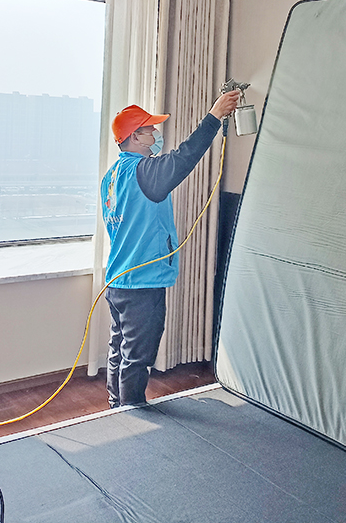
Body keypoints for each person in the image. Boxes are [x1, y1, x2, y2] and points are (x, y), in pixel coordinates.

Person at [100, 90, 241, 408]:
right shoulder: (144, 172)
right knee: (137, 356)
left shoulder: (111, 176)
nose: (155, 133)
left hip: (118, 280)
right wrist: (214, 116)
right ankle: (131, 412)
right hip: (142, 282)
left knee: (119, 348)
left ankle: (115, 407)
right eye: (149, 129)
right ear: (135, 137)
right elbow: (184, 157)